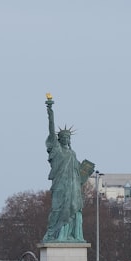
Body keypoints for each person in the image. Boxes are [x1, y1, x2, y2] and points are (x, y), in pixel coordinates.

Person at [42, 94, 94, 243]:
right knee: (57, 210)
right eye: (63, 137)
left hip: (73, 188)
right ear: (59, 139)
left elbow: (79, 172)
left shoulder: (72, 153)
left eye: (68, 138)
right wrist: (50, 111)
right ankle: (54, 233)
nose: (66, 139)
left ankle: (73, 235)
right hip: (59, 186)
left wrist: (86, 170)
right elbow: (51, 130)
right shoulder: (57, 150)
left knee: (74, 209)